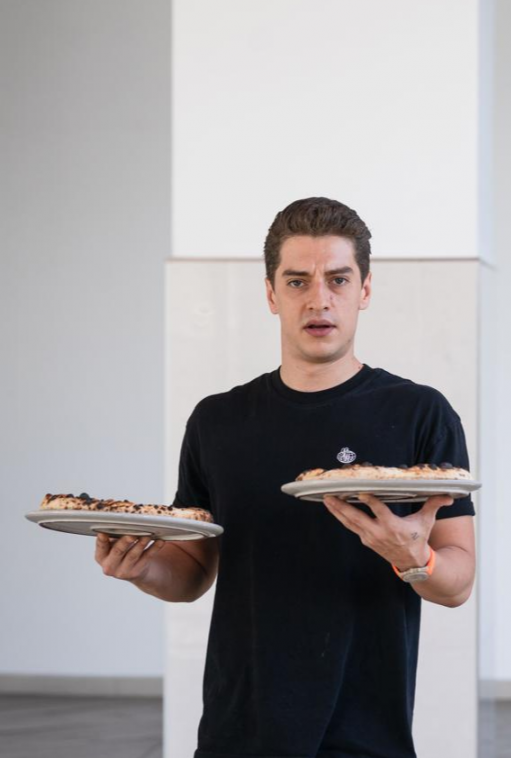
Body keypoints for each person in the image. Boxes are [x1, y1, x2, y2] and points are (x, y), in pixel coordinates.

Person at [95, 197, 476, 758]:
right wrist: (142, 568)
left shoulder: (421, 413)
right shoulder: (217, 420)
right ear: (272, 294)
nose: (319, 299)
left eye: (338, 280)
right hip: (238, 730)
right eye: (297, 282)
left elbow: (459, 583)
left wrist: (414, 557)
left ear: (365, 290)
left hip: (367, 734)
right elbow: (192, 573)